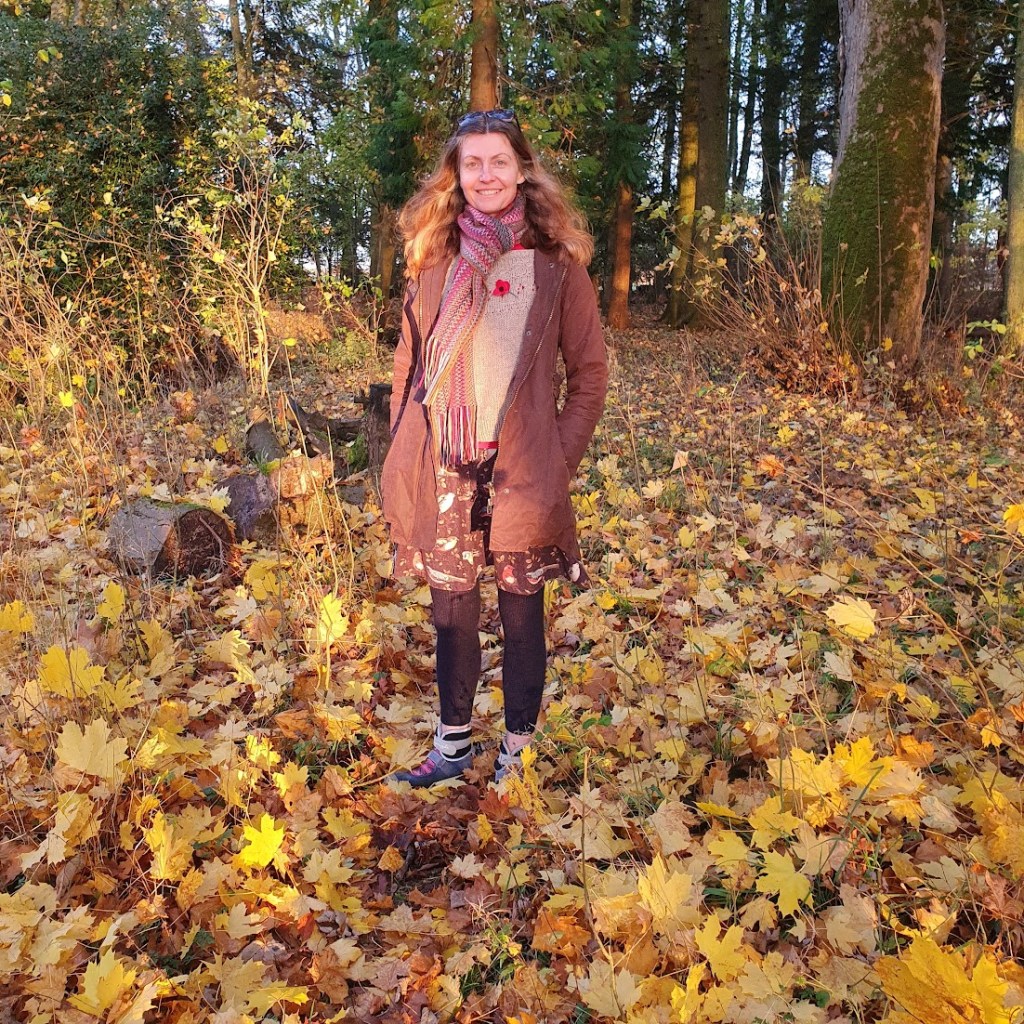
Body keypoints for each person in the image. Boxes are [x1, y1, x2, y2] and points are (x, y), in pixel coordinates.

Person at [381, 108, 607, 788]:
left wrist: (555, 461)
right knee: (450, 611)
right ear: (456, 173)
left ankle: (518, 753)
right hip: (446, 463)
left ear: (522, 169)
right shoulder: (433, 261)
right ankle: (452, 746)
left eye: (498, 162)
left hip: (520, 471)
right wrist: (403, 450)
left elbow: (590, 375)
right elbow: (408, 366)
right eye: (472, 163)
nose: (486, 175)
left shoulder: (557, 267)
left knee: (519, 614)